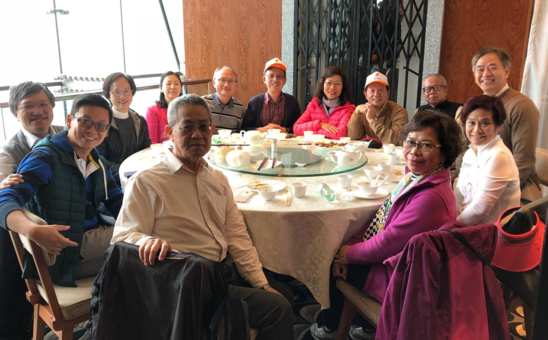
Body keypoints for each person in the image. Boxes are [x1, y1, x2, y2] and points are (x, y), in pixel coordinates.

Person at [111, 94, 293, 339]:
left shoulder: (216, 179)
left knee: (284, 293)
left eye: (203, 126)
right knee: (278, 308)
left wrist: (261, 284)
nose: (197, 134)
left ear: (212, 129)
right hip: (188, 283)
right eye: (187, 127)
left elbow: (236, 235)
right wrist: (146, 241)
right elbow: (122, 237)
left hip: (222, 271)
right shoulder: (147, 182)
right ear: (169, 132)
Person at [311, 110, 463, 340]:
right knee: (339, 251)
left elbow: (387, 243)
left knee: (329, 261)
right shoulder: (415, 178)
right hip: (399, 263)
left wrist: (346, 255)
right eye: (410, 142)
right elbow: (380, 218)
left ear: (444, 152)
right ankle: (360, 323)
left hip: (403, 278)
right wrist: (350, 246)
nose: (414, 152)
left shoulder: (431, 197)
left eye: (426, 145)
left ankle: (332, 329)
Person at [0, 93, 123, 288]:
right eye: (85, 121)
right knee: (141, 249)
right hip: (65, 255)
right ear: (69, 120)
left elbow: (117, 201)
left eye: (101, 125)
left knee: (148, 236)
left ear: (107, 131)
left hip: (88, 239)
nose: (92, 130)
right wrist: (33, 230)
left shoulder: (97, 161)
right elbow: (5, 201)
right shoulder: (45, 158)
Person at [0, 81, 65, 339]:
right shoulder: (9, 152)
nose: (37, 111)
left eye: (43, 104)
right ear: (15, 113)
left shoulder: (65, 134)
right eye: (28, 106)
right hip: (32, 230)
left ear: (53, 107)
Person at [472, 46, 541, 203]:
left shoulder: (522, 105)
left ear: (507, 72)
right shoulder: (475, 106)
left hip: (512, 188)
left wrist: (489, 192)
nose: (486, 74)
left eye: (492, 68)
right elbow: (465, 148)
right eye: (480, 69)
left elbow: (524, 161)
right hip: (476, 183)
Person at [454, 95, 520, 225]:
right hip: (469, 226)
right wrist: (450, 217)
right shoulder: (470, 153)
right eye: (471, 122)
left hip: (490, 235)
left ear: (498, 126)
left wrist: (451, 227)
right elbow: (459, 193)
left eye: (485, 123)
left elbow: (480, 209)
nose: (476, 130)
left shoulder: (499, 155)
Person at [97, 72, 151, 186]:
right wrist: (127, 174)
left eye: (126, 91)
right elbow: (100, 160)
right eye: (116, 92)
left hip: (138, 178)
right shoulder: (102, 124)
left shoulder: (140, 121)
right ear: (108, 95)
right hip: (112, 183)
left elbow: (146, 152)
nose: (122, 96)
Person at [293, 66, 355, 139]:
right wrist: (320, 124)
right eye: (329, 83)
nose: (332, 87)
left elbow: (340, 134)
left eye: (337, 84)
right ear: (322, 84)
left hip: (336, 149)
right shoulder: (314, 104)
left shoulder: (349, 108)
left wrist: (310, 133)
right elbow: (296, 128)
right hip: (314, 148)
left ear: (343, 87)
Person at [347, 71, 408, 145]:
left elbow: (396, 140)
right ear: (365, 94)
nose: (376, 94)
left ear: (388, 93)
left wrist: (372, 120)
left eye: (381, 90)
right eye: (372, 90)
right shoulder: (362, 111)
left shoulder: (399, 112)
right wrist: (356, 113)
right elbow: (353, 138)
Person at [242, 58, 301, 133]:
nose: (275, 79)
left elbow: (299, 127)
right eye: (271, 76)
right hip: (260, 143)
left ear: (284, 81)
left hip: (285, 144)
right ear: (264, 79)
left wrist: (284, 130)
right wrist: (261, 130)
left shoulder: (292, 102)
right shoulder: (254, 102)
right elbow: (244, 128)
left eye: (279, 76)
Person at [202, 66, 245, 133]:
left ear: (236, 86)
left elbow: (239, 133)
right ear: (214, 83)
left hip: (230, 143)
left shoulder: (239, 108)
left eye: (231, 81)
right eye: (222, 80)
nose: (226, 84)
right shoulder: (202, 103)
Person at [145, 71, 183, 143]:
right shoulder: (153, 111)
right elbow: (152, 143)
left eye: (176, 84)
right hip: (162, 153)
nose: (173, 87)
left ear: (181, 88)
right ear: (161, 88)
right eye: (168, 84)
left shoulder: (187, 110)